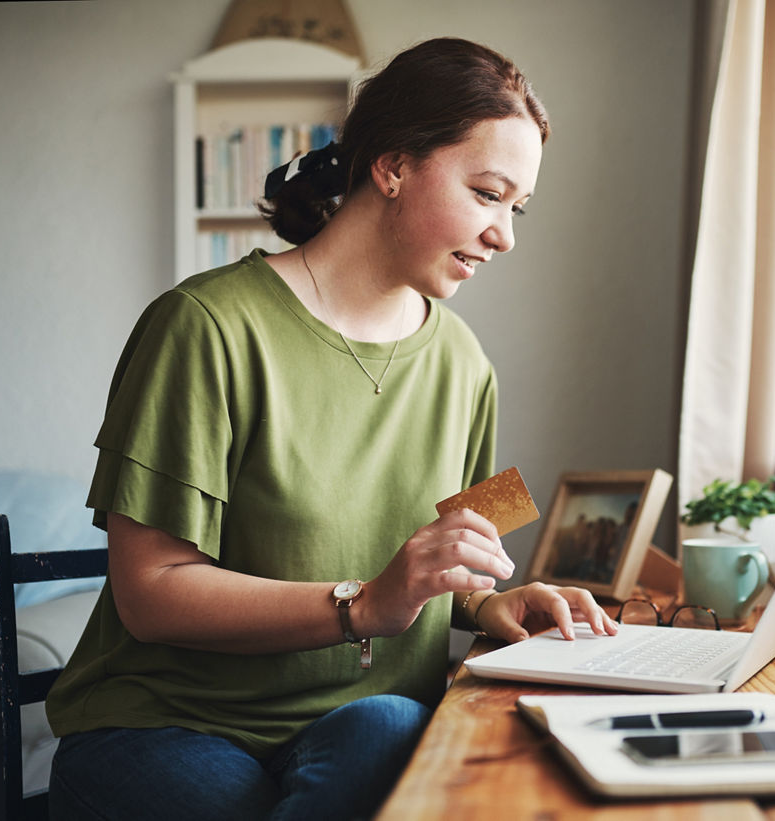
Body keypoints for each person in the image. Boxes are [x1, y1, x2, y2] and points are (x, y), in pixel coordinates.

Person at [46, 37, 618, 820]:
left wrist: (497, 603)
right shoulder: (204, 326)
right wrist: (364, 603)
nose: (505, 235)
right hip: (168, 721)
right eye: (487, 193)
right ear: (391, 167)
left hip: (360, 720)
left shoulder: (465, 360)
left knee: (391, 727)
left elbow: (457, 559)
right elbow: (149, 594)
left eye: (516, 208)